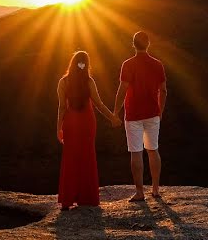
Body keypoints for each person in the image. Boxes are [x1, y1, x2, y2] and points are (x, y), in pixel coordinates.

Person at [57, 50, 122, 210]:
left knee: (70, 158)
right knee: (87, 156)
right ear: (86, 64)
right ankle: (88, 198)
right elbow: (99, 104)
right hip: (87, 122)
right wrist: (112, 117)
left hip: (70, 122)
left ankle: (67, 199)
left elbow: (61, 107)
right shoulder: (89, 81)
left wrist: (58, 127)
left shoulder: (63, 82)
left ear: (72, 63)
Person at [113, 31, 168, 201]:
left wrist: (115, 111)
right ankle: (156, 189)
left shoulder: (128, 64)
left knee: (136, 152)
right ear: (148, 44)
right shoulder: (158, 64)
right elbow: (164, 90)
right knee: (153, 150)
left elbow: (122, 91)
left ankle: (139, 192)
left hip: (133, 114)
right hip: (153, 113)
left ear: (133, 44)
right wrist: (160, 111)